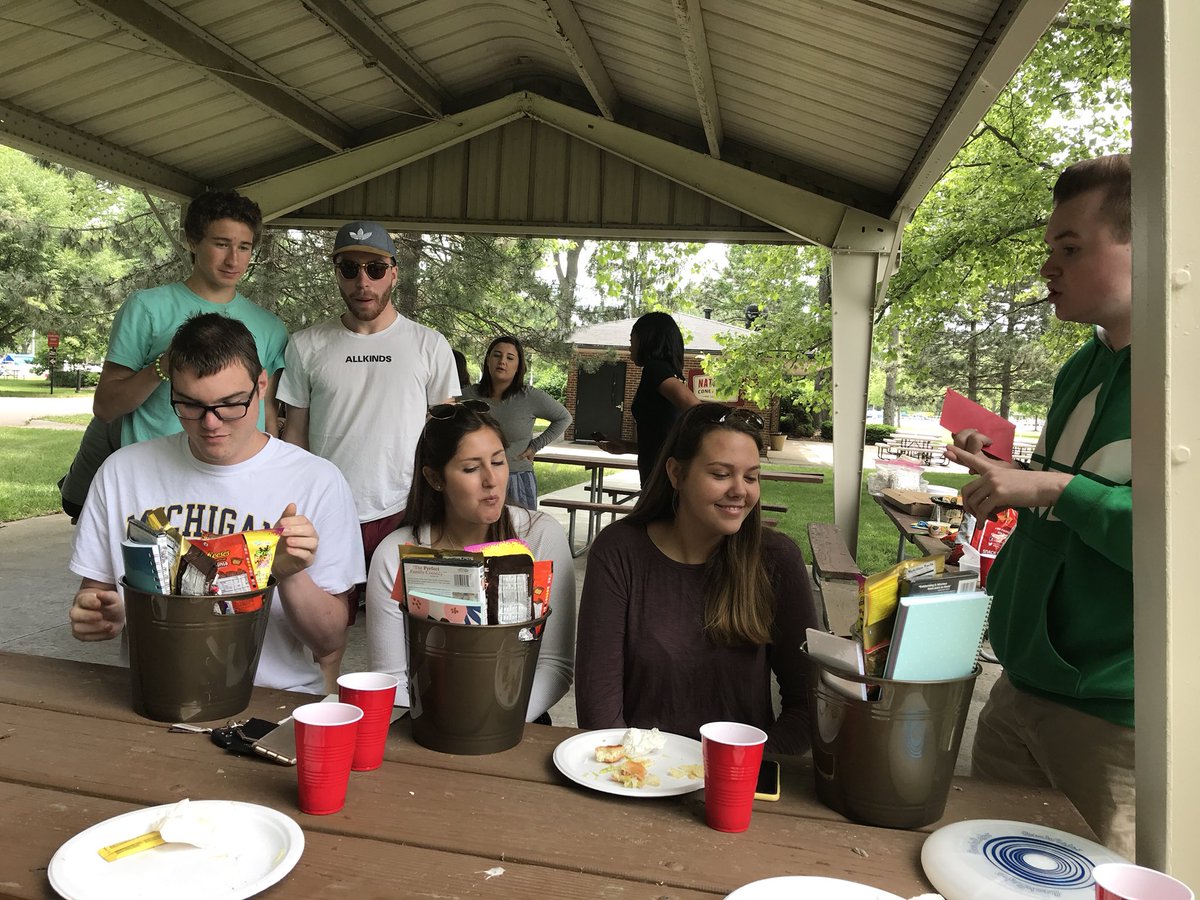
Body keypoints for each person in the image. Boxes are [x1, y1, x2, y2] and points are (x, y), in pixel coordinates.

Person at [944, 154, 1133, 857]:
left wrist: (1050, 487)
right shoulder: (1080, 367)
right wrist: (1011, 475)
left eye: (1072, 249)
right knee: (984, 866)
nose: (1049, 267)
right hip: (1021, 683)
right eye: (1050, 249)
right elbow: (1068, 501)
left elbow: (1178, 541)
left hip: (1116, 716)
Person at [69, 314, 363, 694]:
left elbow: (328, 641)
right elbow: (96, 597)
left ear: (261, 386)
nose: (211, 423)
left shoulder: (317, 481)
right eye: (190, 404)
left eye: (230, 404)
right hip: (160, 695)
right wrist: (99, 615)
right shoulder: (123, 472)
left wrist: (288, 572)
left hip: (271, 696)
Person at [575, 402, 819, 753]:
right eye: (721, 474)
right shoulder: (619, 552)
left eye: (751, 476)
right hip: (639, 778)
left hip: (739, 783)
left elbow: (807, 704)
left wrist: (740, 770)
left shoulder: (775, 559)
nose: (740, 490)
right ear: (676, 473)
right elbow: (599, 713)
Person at [365, 400, 576, 723]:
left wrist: (496, 724)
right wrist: (446, 728)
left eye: (498, 461)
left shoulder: (540, 536)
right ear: (435, 479)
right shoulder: (396, 554)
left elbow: (555, 665)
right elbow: (391, 677)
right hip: (425, 724)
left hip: (519, 717)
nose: (491, 480)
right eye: (471, 468)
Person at [277, 220, 460, 591]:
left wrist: (446, 511)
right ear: (337, 274)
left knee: (413, 625)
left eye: (375, 269)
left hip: (406, 511)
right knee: (326, 636)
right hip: (327, 511)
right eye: (350, 268)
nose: (363, 282)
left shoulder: (430, 345)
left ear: (393, 273)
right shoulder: (305, 345)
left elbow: (449, 439)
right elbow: (293, 435)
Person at [92, 190, 287, 446]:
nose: (233, 259)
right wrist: (163, 367)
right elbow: (106, 407)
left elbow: (267, 415)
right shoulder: (147, 308)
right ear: (193, 242)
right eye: (221, 244)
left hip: (235, 479)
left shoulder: (270, 326)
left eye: (244, 247)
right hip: (157, 474)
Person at [462, 334, 572, 510]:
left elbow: (564, 418)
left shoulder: (530, 397)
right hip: (474, 479)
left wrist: (536, 445)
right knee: (478, 536)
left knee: (515, 536)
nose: (502, 361)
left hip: (516, 479)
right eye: (497, 355)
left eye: (510, 357)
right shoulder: (466, 396)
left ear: (518, 366)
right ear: (488, 360)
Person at [598, 312, 700, 486]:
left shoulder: (656, 370)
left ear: (647, 340)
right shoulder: (665, 371)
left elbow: (697, 409)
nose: (630, 347)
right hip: (658, 476)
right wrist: (627, 447)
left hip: (662, 483)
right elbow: (662, 436)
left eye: (632, 340)